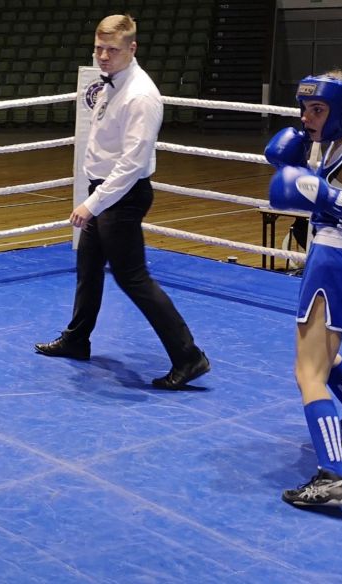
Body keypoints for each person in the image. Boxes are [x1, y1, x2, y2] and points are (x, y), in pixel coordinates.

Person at [34, 14, 209, 389]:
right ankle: (77, 339)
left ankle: (188, 356)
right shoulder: (110, 82)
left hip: (122, 196)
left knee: (134, 278)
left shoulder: (140, 96)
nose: (103, 56)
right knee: (88, 267)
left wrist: (93, 203)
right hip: (103, 191)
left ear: (132, 48)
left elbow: (132, 163)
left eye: (111, 50)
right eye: (98, 48)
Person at [265, 71, 342, 507]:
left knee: (308, 372)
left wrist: (322, 195)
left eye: (317, 109)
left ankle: (332, 478)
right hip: (331, 257)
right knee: (324, 354)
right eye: (305, 108)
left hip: (337, 262)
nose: (306, 118)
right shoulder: (335, 143)